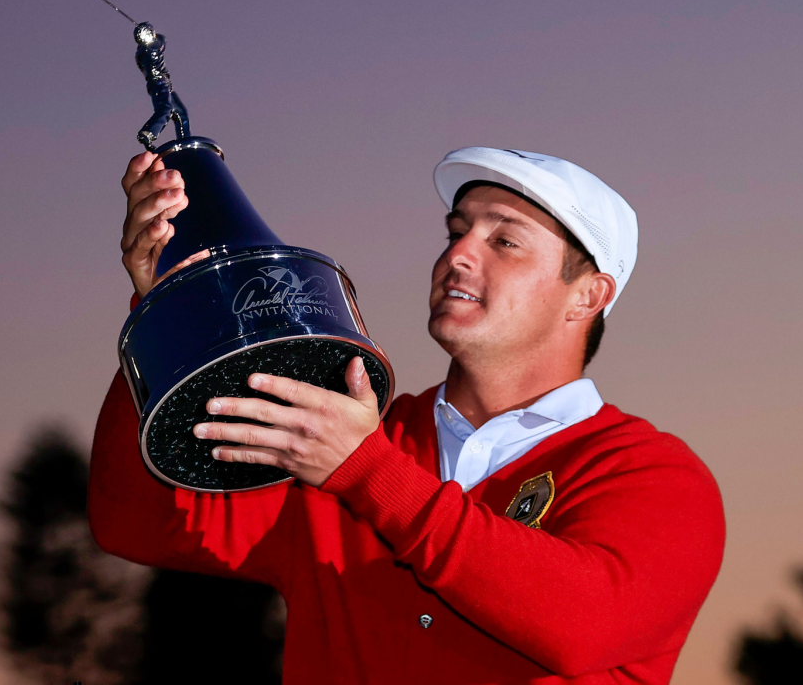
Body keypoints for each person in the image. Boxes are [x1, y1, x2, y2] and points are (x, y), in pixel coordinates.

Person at [88, 146, 726, 684]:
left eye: (504, 240)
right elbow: (135, 523)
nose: (459, 255)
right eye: (457, 231)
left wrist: (365, 469)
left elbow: (582, 625)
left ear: (588, 295)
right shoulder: (337, 437)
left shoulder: (653, 475)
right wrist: (168, 314)